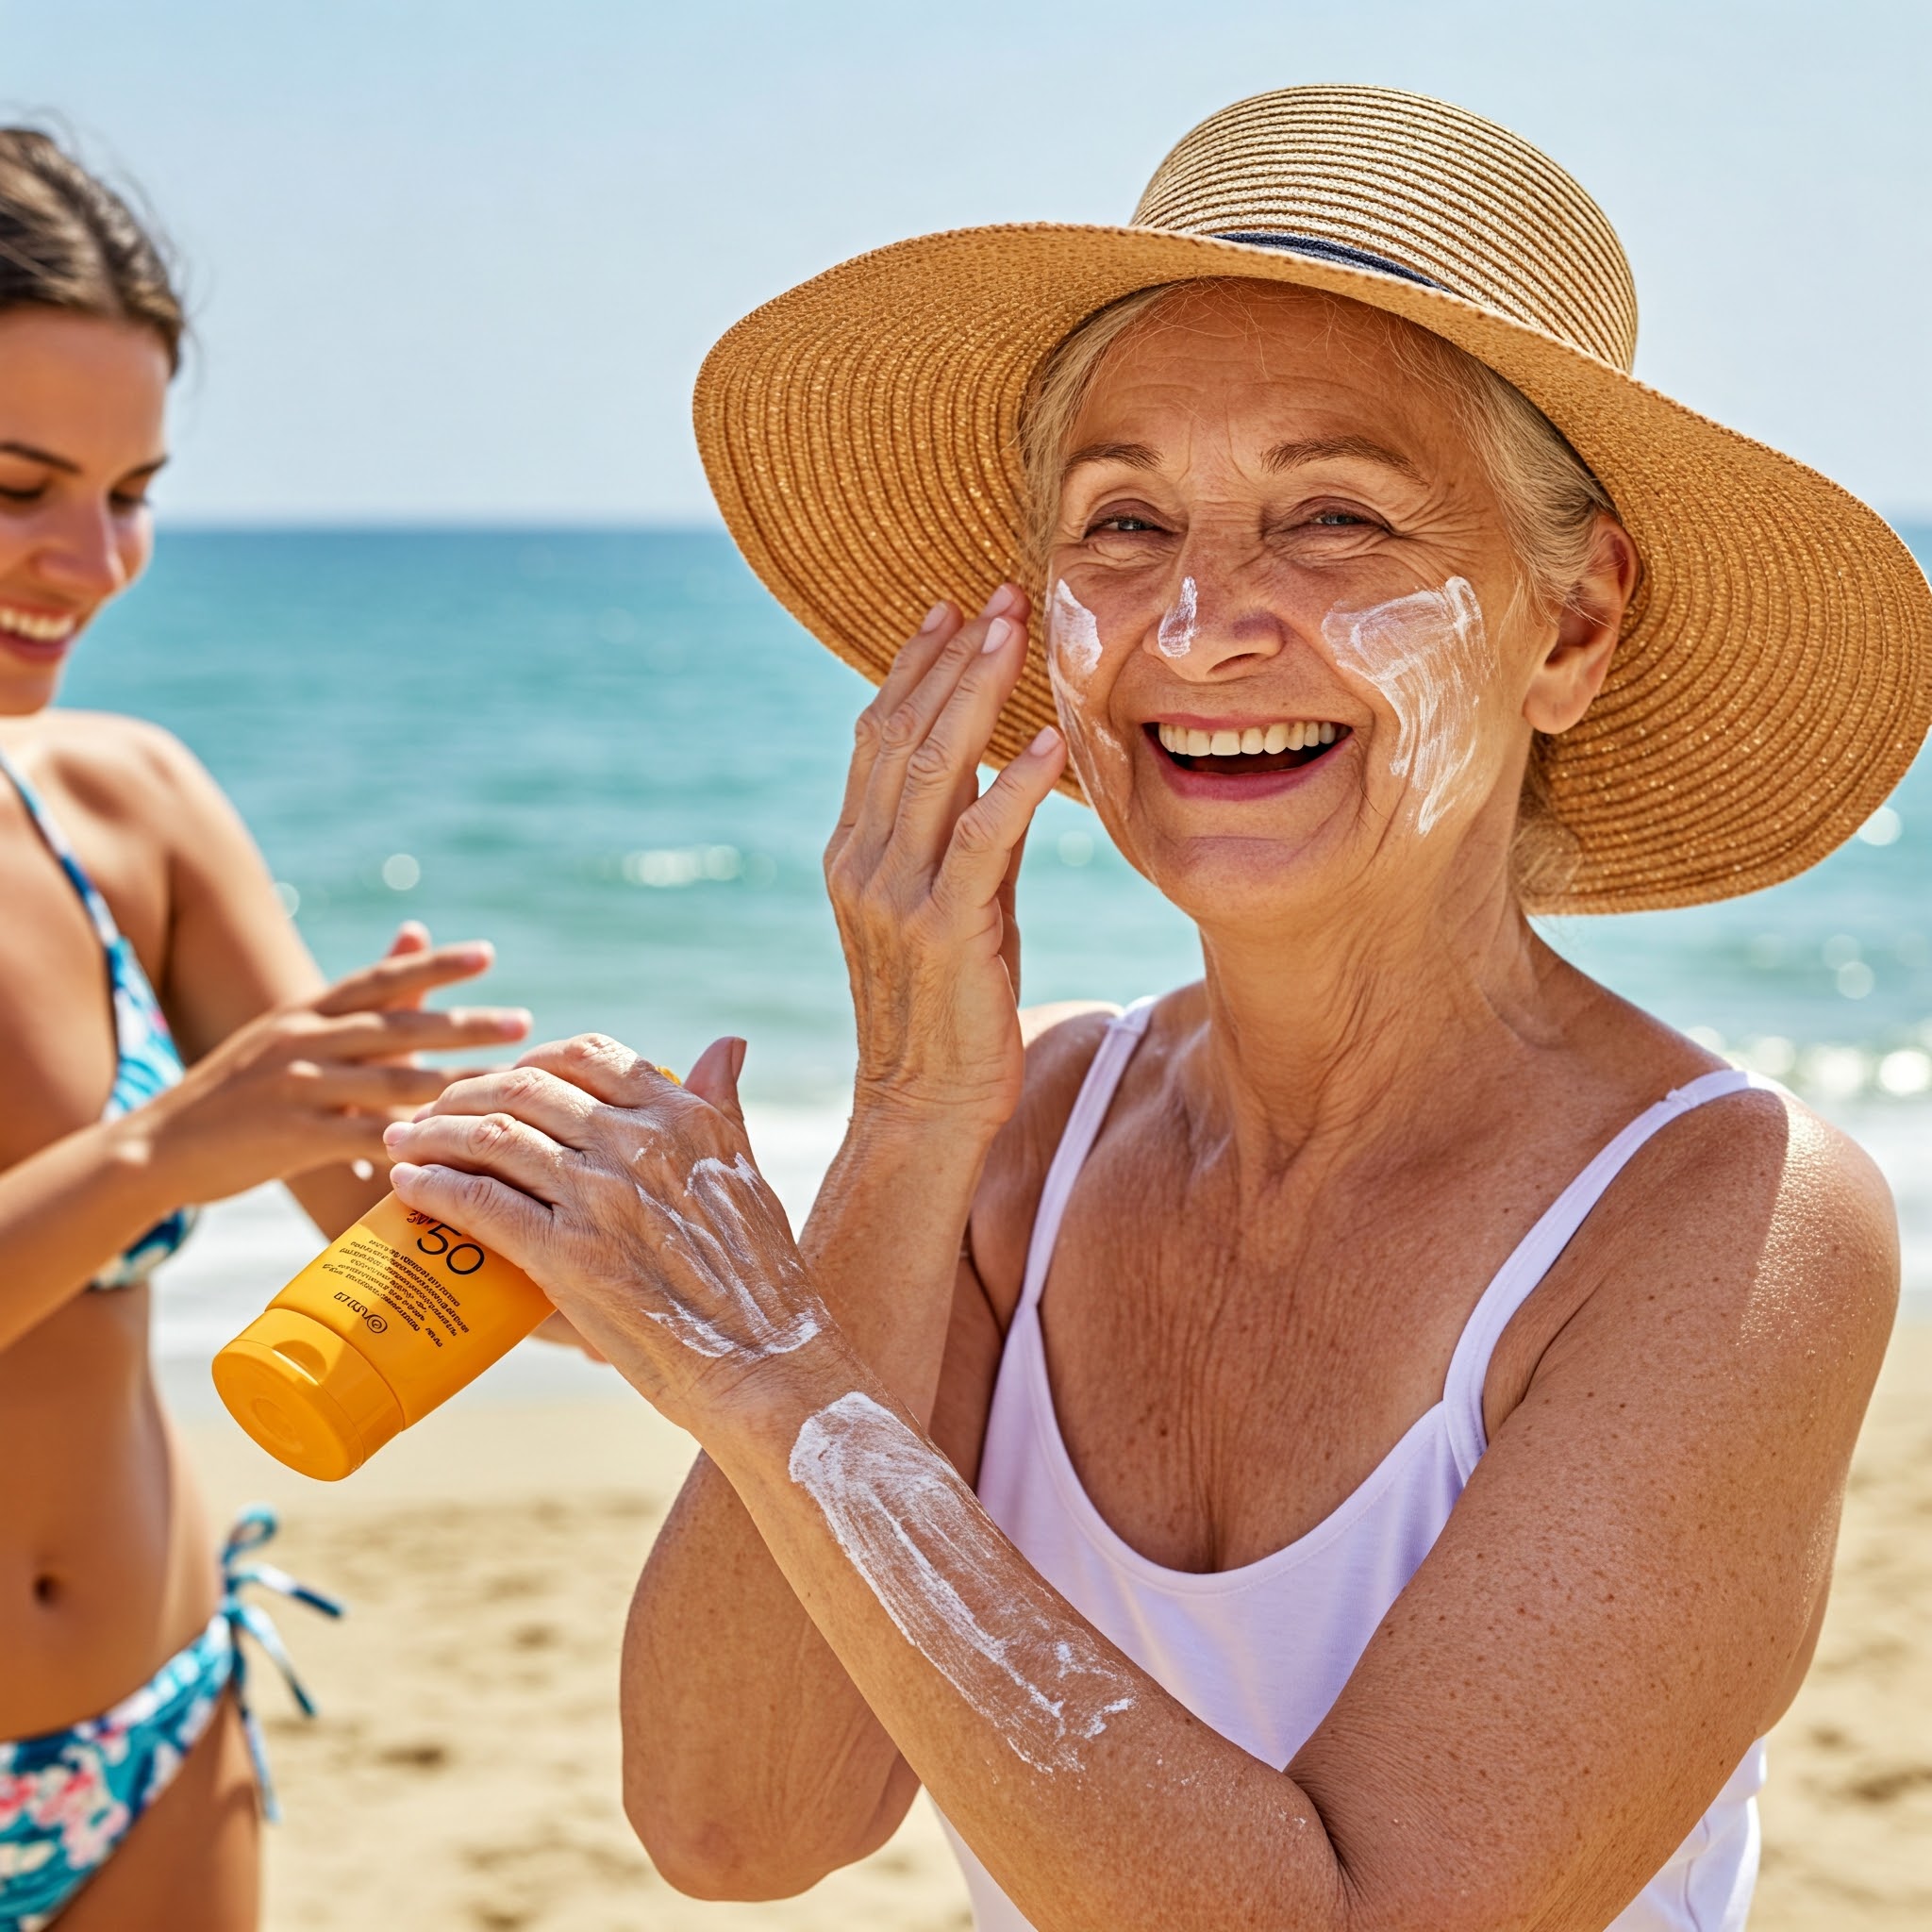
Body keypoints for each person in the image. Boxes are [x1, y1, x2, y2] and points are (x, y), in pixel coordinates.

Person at [378, 87, 1930, 1930]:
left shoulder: (1723, 1218)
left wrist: (768, 1369)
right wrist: (901, 1118)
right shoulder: (1017, 1141)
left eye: (1332, 517)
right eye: (1123, 524)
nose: (1197, 627)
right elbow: (740, 1820)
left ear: (1572, 622)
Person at [0, 131, 531, 1931]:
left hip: (147, 1733)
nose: (96, 559)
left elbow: (393, 1239)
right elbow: (212, 1135)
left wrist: (594, 1201)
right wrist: (166, 1149)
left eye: (133, 488)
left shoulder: (127, 813)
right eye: (17, 484)